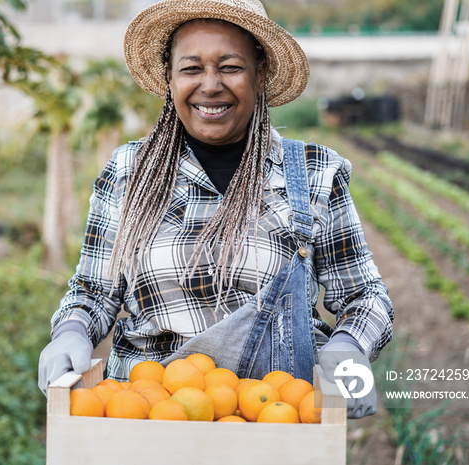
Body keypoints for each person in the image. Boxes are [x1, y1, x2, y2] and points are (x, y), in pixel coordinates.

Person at [38, 0, 394, 419]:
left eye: (229, 67)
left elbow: (364, 295)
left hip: (275, 419)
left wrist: (348, 344)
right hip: (146, 415)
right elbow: (93, 292)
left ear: (260, 74)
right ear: (170, 78)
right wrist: (71, 331)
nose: (210, 85)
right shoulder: (129, 172)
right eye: (191, 68)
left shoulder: (314, 172)